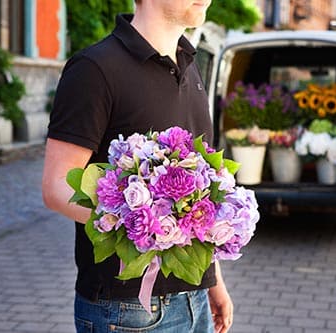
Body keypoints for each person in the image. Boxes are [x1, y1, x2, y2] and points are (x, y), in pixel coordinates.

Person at [42, 1, 233, 332]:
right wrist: (141, 223)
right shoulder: (94, 69)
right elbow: (56, 187)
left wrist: (213, 279)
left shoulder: (191, 65)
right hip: (127, 309)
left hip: (195, 298)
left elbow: (201, 194)